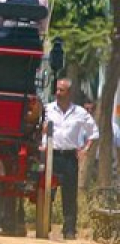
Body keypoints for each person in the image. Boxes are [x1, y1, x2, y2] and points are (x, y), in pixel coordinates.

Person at [44, 78, 99, 240]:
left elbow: (94, 133)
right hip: (51, 155)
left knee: (69, 194)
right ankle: (44, 225)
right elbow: (40, 131)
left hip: (69, 158)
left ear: (69, 93)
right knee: (48, 193)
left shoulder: (80, 113)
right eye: (57, 90)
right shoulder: (48, 110)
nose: (58, 93)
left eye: (61, 90)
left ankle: (69, 230)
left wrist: (85, 150)